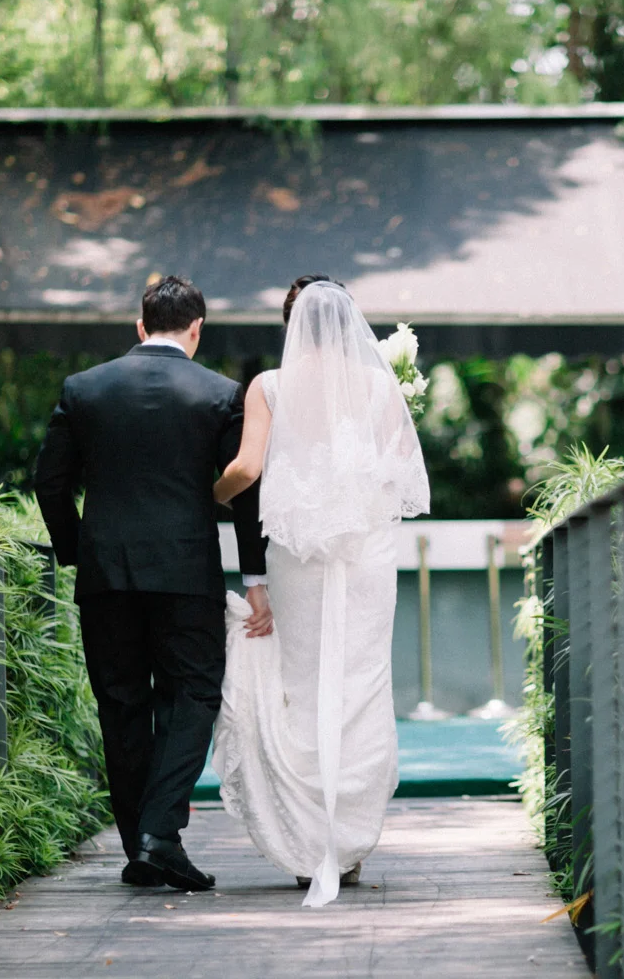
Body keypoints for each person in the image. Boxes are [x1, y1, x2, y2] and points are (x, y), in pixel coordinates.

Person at [34, 275, 274, 892]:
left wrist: (74, 550)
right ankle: (158, 835)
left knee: (121, 705)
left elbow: (50, 484)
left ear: (140, 327)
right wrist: (254, 576)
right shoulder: (223, 394)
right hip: (186, 572)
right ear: (197, 329)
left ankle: (141, 842)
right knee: (193, 692)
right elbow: (244, 493)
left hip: (105, 573)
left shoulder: (84, 389)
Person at [211, 278, 429, 908]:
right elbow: (396, 474)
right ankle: (350, 842)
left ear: (292, 324)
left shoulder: (271, 386)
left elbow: (247, 470)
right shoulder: (378, 384)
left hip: (298, 555)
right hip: (364, 555)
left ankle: (312, 843)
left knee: (303, 686)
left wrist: (213, 492)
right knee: (361, 681)